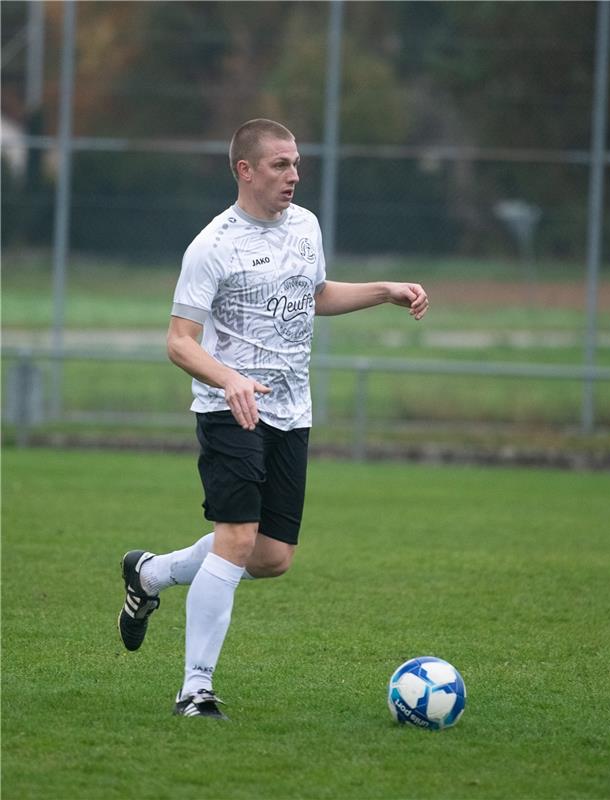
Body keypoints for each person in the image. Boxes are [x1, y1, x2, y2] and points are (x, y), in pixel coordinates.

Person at [117, 118, 429, 719]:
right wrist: (229, 377)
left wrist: (384, 290)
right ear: (246, 170)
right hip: (229, 409)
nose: (294, 174)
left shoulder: (306, 226)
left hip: (292, 410)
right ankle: (195, 690)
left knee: (271, 557)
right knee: (235, 540)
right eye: (281, 164)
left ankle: (149, 575)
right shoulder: (213, 245)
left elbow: (314, 295)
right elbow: (180, 342)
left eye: (296, 163)